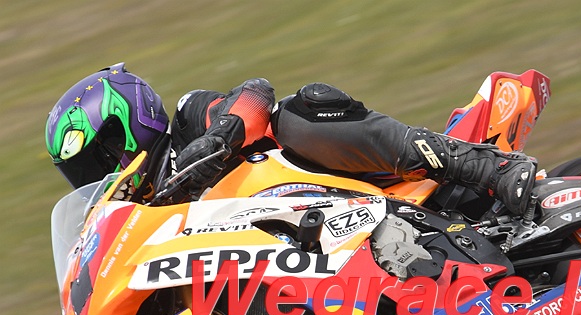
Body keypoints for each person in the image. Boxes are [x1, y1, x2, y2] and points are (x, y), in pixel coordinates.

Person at [45, 63, 536, 213]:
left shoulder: (190, 117)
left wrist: (220, 138)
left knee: (296, 112)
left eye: (98, 159)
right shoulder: (140, 215)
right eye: (81, 174)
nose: (96, 178)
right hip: (303, 254)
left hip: (351, 190)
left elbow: (254, 94)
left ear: (127, 125)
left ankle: (485, 166)